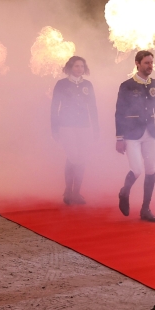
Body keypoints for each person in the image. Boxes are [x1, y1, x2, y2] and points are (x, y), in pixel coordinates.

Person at [114, 49, 155, 222]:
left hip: (150, 132)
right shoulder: (126, 85)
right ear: (137, 63)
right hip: (131, 133)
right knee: (137, 169)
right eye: (146, 63)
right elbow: (119, 112)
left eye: (151, 62)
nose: (150, 66)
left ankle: (145, 209)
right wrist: (119, 138)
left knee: (151, 169)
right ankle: (124, 191)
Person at [50, 56, 99, 205]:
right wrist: (55, 128)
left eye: (82, 66)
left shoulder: (88, 85)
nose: (80, 69)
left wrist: (96, 128)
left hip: (83, 125)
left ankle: (77, 192)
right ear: (70, 67)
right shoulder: (61, 84)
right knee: (73, 156)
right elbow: (54, 107)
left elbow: (93, 108)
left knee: (82, 158)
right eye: (77, 66)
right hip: (66, 125)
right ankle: (68, 191)